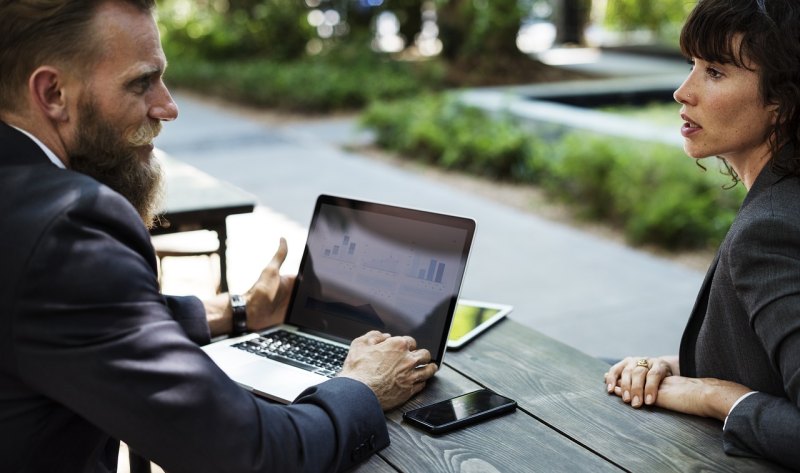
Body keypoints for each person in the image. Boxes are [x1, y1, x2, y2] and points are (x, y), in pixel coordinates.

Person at [0, 1, 438, 472]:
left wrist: (237, 312)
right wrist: (361, 388)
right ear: (52, 92)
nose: (167, 107)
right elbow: (250, 455)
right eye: (141, 82)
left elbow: (72, 318)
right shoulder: (67, 225)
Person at [604, 0, 800, 469]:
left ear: (782, 99)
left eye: (714, 72)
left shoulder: (770, 231)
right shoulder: (782, 200)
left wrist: (716, 396)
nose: (682, 92)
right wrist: (676, 368)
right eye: (691, 65)